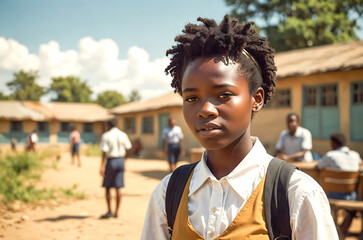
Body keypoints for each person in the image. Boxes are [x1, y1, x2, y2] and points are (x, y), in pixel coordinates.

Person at [141, 15, 337, 239]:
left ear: (257, 99)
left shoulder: (295, 194)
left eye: (223, 95)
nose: (205, 109)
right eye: (191, 98)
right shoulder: (168, 193)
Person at [317, 132, 362, 235]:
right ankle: (342, 229)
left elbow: (318, 166)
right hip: (352, 196)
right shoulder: (355, 154)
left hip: (333, 195)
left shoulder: (330, 155)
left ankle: (334, 231)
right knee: (356, 202)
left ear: (333, 144)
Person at [99, 119, 132, 219]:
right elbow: (128, 148)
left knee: (108, 187)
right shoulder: (123, 134)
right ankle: (116, 212)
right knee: (118, 187)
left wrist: (102, 165)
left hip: (111, 161)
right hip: (120, 161)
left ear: (108, 125)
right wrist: (124, 159)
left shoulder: (106, 135)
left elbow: (104, 152)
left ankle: (109, 211)